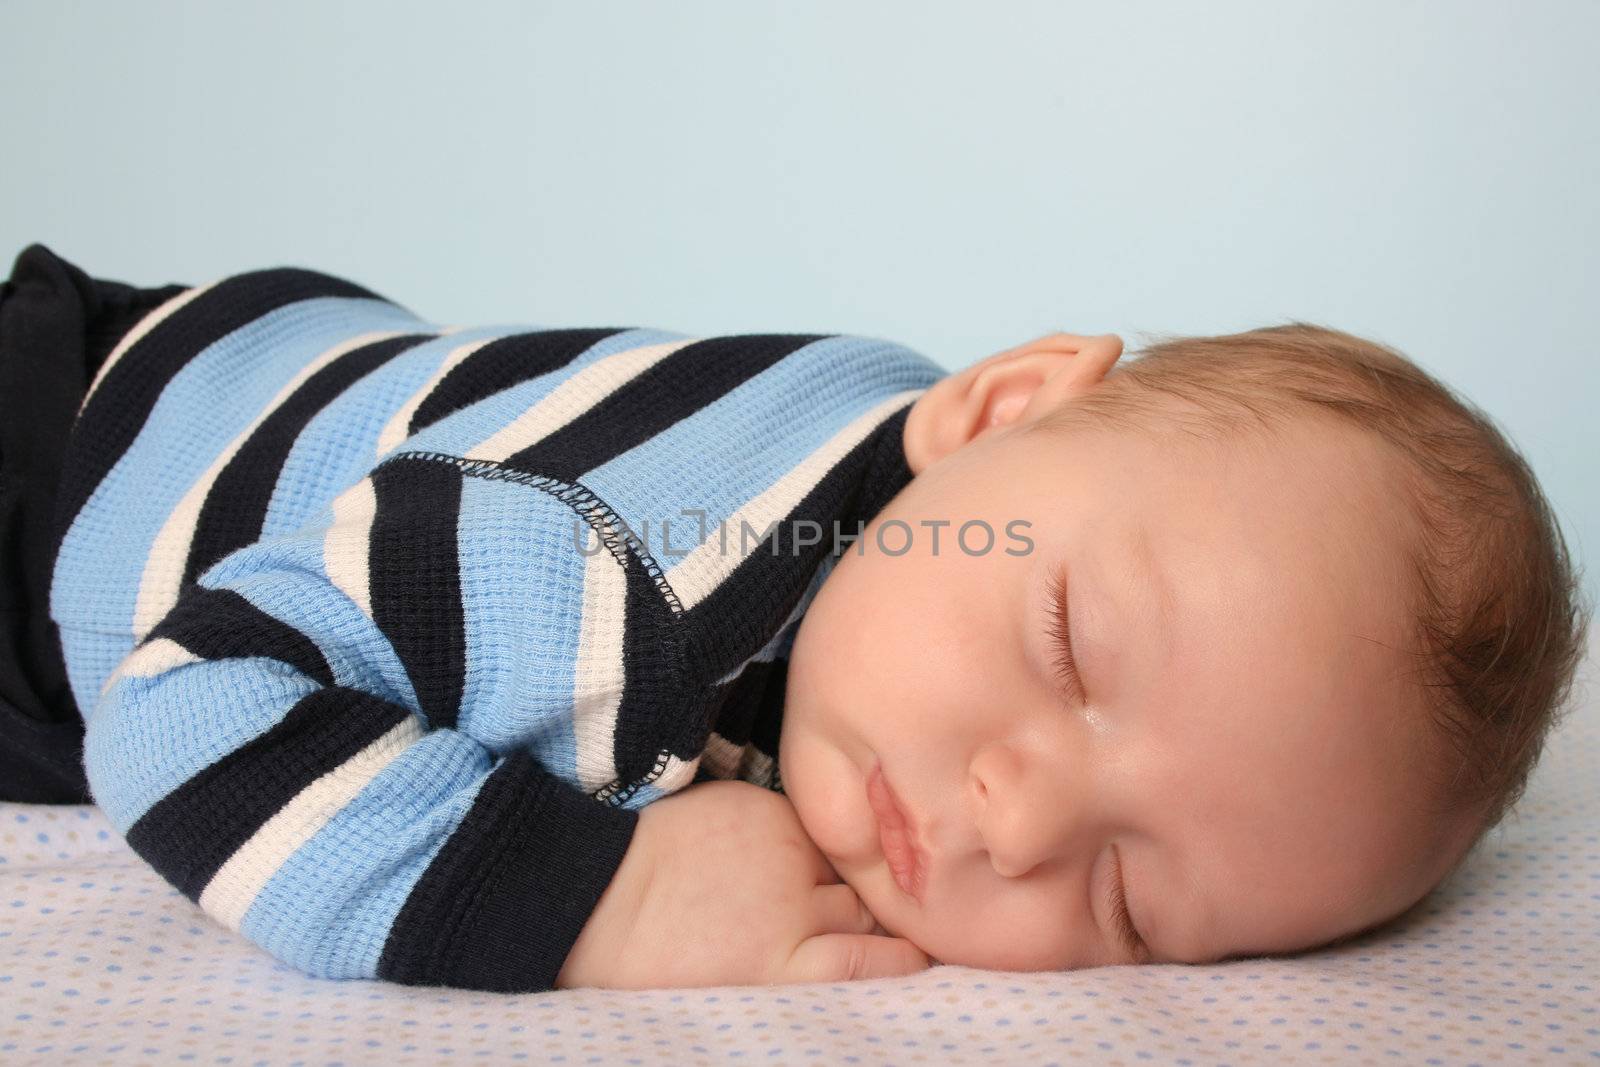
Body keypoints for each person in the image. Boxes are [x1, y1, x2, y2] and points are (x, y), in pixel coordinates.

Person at [0, 242, 1588, 992]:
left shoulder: (934, 525)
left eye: (1129, 900)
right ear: (1002, 409)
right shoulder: (607, 566)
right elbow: (186, 703)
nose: (1017, 823)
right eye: (1069, 651)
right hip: (66, 460)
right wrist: (587, 899)